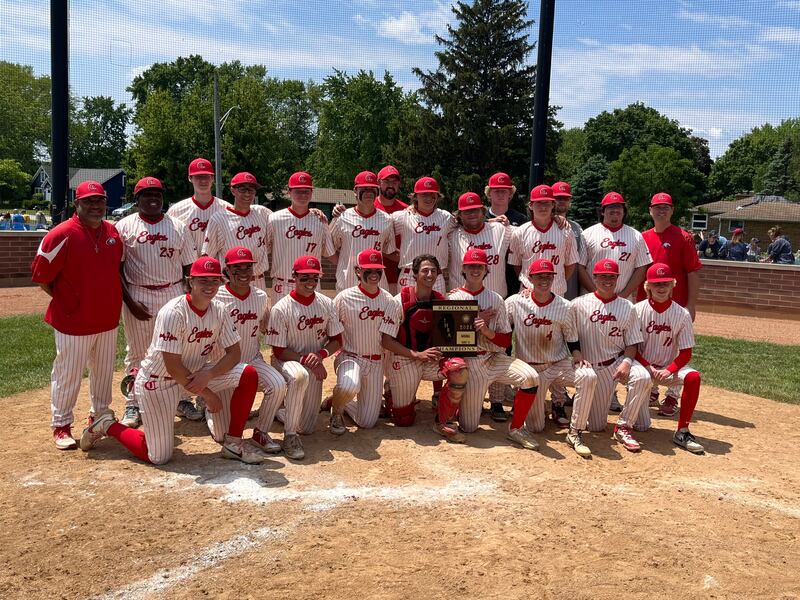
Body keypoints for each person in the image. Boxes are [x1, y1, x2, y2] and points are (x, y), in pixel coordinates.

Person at [79, 257, 268, 465]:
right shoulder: (173, 312)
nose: (210, 286)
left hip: (196, 375)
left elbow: (234, 353)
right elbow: (173, 366)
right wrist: (207, 393)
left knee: (248, 373)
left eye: (214, 280)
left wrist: (209, 375)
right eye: (203, 280)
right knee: (159, 456)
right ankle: (107, 424)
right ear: (190, 282)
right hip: (160, 381)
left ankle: (233, 443)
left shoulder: (220, 310)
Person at [31, 180, 124, 450]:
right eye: (89, 201)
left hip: (107, 319)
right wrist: (70, 301)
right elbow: (43, 279)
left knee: (104, 373)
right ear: (77, 203)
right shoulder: (60, 234)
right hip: (73, 321)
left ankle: (100, 417)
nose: (96, 206)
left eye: (100, 201)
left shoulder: (113, 233)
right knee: (68, 374)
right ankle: (61, 425)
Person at [115, 176, 195, 428]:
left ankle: (183, 400)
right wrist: (129, 302)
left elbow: (190, 268)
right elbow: (116, 270)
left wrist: (188, 301)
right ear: (137, 199)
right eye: (146, 195)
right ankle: (134, 403)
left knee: (179, 349)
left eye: (157, 195)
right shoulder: (124, 226)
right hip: (138, 293)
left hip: (173, 293)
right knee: (138, 352)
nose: (152, 199)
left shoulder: (178, 227)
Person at [505, 258, 598, 457]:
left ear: (554, 278)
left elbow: (572, 339)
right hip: (530, 370)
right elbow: (502, 327)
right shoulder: (515, 302)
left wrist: (578, 357)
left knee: (588, 376)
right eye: (539, 276)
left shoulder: (564, 306)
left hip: (557, 364)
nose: (544, 279)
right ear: (530, 278)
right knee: (536, 427)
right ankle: (546, 406)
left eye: (548, 275)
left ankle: (575, 432)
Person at [448, 249, 540, 447]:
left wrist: (488, 332)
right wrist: (472, 321)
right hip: (471, 362)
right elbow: (447, 341)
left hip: (494, 358)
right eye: (471, 266)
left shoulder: (496, 299)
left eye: (479, 266)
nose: (475, 270)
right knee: (469, 426)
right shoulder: (452, 298)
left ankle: (516, 428)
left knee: (531, 377)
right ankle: (455, 406)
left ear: (486, 269)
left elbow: (506, 342)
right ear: (463, 268)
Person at [380, 254, 470, 443]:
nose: (429, 274)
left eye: (433, 271)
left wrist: (472, 325)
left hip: (429, 359)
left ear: (438, 274)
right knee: (404, 420)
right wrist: (416, 354)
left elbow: (451, 339)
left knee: (459, 369)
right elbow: (386, 341)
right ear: (414, 274)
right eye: (425, 270)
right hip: (404, 358)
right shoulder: (399, 301)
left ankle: (443, 420)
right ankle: (390, 394)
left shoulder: (441, 300)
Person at [263, 255, 343, 460]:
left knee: (307, 428)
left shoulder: (326, 303)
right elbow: (279, 350)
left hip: (313, 362)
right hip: (287, 362)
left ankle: (280, 410)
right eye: (304, 278)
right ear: (294, 277)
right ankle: (289, 436)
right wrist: (309, 360)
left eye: (314, 278)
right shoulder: (281, 308)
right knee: (299, 376)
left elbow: (337, 339)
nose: (310, 283)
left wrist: (320, 355)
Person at [571, 259, 652, 452]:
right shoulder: (578, 304)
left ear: (617, 278)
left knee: (642, 376)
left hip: (616, 362)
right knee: (597, 427)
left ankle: (624, 426)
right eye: (603, 276)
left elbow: (632, 342)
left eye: (612, 276)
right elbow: (568, 336)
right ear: (595, 277)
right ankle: (580, 400)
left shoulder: (627, 306)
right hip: (591, 367)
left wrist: (626, 361)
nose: (607, 280)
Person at [214, 246, 288, 454]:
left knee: (278, 384)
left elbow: (266, 327)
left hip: (253, 359)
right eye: (237, 268)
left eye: (248, 267)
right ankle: (208, 404)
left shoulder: (261, 297)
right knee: (221, 435)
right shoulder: (216, 297)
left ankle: (261, 432)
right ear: (227, 270)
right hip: (223, 364)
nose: (244, 272)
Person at [633, 263, 705, 454]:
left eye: (665, 283)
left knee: (693, 377)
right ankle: (623, 421)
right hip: (641, 368)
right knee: (641, 425)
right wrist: (647, 366)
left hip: (668, 368)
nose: (661, 288)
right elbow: (630, 347)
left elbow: (686, 353)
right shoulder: (637, 310)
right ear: (647, 286)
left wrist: (669, 370)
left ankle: (683, 430)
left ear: (673, 284)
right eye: (657, 284)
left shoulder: (682, 314)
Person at [328, 250, 403, 432]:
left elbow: (388, 338)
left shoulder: (388, 300)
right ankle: (336, 412)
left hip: (376, 362)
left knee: (367, 422)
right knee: (350, 385)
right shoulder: (344, 298)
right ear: (357, 271)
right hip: (350, 357)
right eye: (368, 270)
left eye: (378, 270)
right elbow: (331, 331)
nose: (374, 275)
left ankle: (340, 401)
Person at [266, 172, 335, 305]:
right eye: (298, 191)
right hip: (282, 284)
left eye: (306, 191)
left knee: (312, 324)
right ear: (289, 192)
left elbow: (329, 253)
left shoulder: (320, 220)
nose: (303, 195)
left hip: (311, 284)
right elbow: (264, 249)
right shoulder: (274, 219)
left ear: (311, 192)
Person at [202, 172, 272, 293]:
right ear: (233, 190)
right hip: (230, 283)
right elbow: (207, 255)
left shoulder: (262, 213)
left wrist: (312, 212)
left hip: (258, 281)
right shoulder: (218, 219)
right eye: (242, 189)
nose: (247, 194)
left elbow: (286, 220)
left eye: (251, 190)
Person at [329, 171, 396, 292]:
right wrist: (344, 264)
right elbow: (328, 249)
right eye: (364, 188)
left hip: (377, 284)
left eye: (372, 188)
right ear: (355, 191)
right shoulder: (342, 217)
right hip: (347, 283)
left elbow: (389, 250)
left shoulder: (387, 219)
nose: (369, 192)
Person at [638, 193, 701, 319]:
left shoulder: (684, 237)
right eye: (658, 207)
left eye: (665, 207)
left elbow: (692, 273)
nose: (661, 211)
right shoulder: (641, 238)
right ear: (650, 210)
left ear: (672, 210)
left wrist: (691, 305)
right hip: (646, 303)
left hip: (676, 304)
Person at [578, 191, 652, 299]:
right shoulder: (587, 234)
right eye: (611, 207)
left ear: (624, 211)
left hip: (623, 299)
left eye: (619, 207)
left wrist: (623, 295)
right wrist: (597, 294)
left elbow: (641, 268)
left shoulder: (636, 236)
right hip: (591, 299)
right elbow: (580, 268)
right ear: (602, 211)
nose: (615, 210)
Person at [509, 184, 578, 297]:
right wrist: (529, 282)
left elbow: (570, 263)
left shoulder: (565, 230)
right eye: (539, 203)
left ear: (553, 205)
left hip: (557, 292)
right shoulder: (519, 232)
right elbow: (517, 265)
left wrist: (557, 281)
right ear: (530, 205)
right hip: (528, 293)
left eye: (547, 203)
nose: (543, 207)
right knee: (473, 314)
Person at [389, 176, 456, 294]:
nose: (428, 198)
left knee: (436, 312)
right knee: (406, 312)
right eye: (424, 194)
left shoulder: (446, 217)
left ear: (437, 196)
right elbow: (379, 226)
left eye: (432, 195)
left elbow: (467, 225)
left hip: (436, 275)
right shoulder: (402, 217)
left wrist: (490, 221)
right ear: (415, 196)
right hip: (409, 275)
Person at [167, 157, 229, 260]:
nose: (203, 181)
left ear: (213, 178)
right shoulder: (176, 211)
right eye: (198, 177)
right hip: (188, 271)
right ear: (190, 178)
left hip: (219, 272)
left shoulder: (227, 209)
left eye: (207, 176)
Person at [485, 172, 526, 297]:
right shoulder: (479, 216)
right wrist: (488, 222)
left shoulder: (520, 218)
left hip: (512, 273)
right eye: (497, 191)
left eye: (505, 191)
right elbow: (458, 220)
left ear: (510, 194)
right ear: (489, 194)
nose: (501, 194)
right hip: (486, 273)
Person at [552, 181, 583, 301]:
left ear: (570, 202)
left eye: (565, 198)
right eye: (558, 198)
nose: (562, 201)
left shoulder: (576, 227)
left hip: (570, 287)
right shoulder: (542, 223)